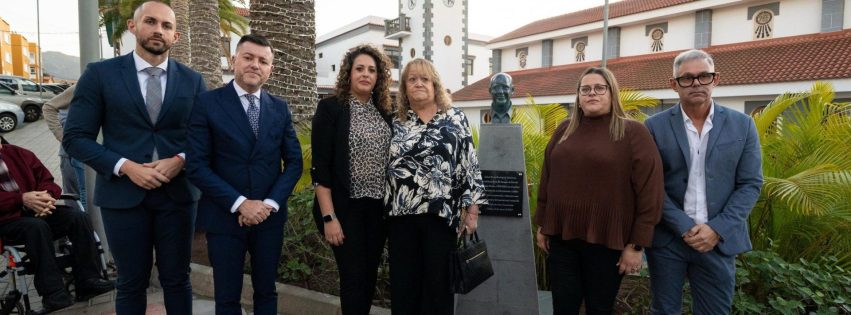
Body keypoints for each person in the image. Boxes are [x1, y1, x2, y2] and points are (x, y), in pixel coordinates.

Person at [62, 1, 207, 313]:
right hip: (122, 197)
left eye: (166, 26)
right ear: (132, 26)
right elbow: (75, 137)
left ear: (176, 36)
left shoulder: (192, 81)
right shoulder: (100, 74)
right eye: (151, 22)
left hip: (178, 197)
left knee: (178, 279)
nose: (158, 30)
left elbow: (205, 137)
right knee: (130, 282)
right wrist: (125, 166)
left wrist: (180, 159)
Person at [186, 33, 302, 315]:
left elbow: (295, 162)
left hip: (269, 219)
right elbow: (197, 165)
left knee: (266, 292)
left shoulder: (280, 108)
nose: (255, 65)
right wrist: (241, 203)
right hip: (224, 217)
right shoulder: (207, 103)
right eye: (248, 57)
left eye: (263, 61)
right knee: (226, 297)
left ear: (270, 69)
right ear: (234, 60)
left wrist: (269, 204)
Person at [533, 67, 664, 315]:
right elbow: (547, 177)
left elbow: (651, 192)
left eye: (599, 88)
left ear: (612, 93)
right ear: (578, 97)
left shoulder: (633, 132)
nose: (592, 93)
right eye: (585, 89)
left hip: (608, 241)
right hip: (562, 237)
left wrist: (636, 245)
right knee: (563, 307)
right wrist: (542, 223)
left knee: (599, 308)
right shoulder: (564, 130)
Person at [644, 49, 763, 314]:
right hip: (668, 240)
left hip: (717, 241)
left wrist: (717, 229)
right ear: (673, 84)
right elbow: (650, 186)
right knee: (664, 310)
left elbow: (750, 184)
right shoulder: (653, 126)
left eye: (703, 76)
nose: (696, 83)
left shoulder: (743, 125)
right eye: (687, 78)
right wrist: (684, 226)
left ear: (715, 79)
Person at [385, 58, 487, 315]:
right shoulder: (395, 121)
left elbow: (469, 165)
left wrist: (472, 211)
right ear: (405, 87)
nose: (418, 83)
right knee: (404, 288)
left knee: (438, 289)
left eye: (424, 79)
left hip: (441, 219)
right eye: (412, 79)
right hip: (401, 219)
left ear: (435, 84)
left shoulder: (455, 118)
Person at [310, 44, 393, 315]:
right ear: (349, 73)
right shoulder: (331, 108)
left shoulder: (385, 112)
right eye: (360, 69)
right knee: (353, 277)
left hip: (377, 211)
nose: (366, 74)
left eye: (372, 70)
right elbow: (320, 167)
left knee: (369, 276)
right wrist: (329, 218)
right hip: (343, 210)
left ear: (378, 77)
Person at [0, 138, 114, 313]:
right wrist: (21, 199)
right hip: (7, 219)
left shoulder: (18, 153)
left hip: (35, 211)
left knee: (77, 217)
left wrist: (45, 197)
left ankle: (88, 281)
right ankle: (53, 294)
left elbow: (47, 180)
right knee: (36, 227)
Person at [42, 85, 87, 209]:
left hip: (89, 153)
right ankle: (80, 225)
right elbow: (49, 107)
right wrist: (61, 136)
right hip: (70, 154)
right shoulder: (85, 84)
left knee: (85, 194)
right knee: (75, 196)